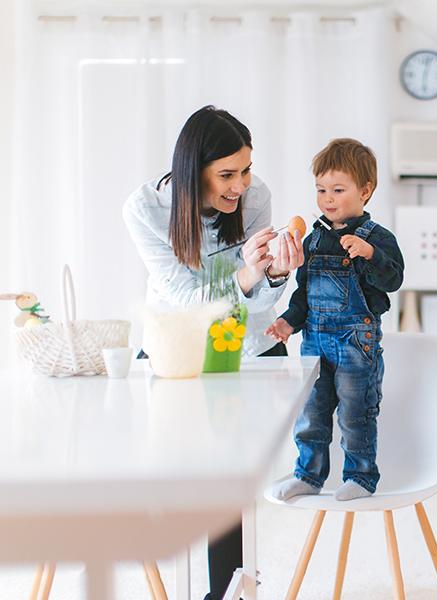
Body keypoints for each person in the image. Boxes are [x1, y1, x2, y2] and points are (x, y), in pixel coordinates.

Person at [123, 105, 304, 600]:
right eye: (227, 174)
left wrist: (276, 273)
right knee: (176, 475)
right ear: (191, 170)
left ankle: (225, 591)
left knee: (230, 476)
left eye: (246, 169)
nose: (241, 185)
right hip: (178, 346)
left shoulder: (256, 195)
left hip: (245, 343)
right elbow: (184, 302)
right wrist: (246, 275)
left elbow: (262, 302)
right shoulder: (146, 209)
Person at [266, 138, 404, 502]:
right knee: (310, 412)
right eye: (321, 189)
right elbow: (303, 295)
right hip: (315, 340)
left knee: (356, 412)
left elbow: (393, 280)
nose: (327, 198)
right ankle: (308, 476)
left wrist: (369, 254)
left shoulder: (378, 238)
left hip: (356, 343)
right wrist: (287, 323)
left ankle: (360, 477)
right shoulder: (312, 240)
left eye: (338, 190)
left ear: (365, 191)